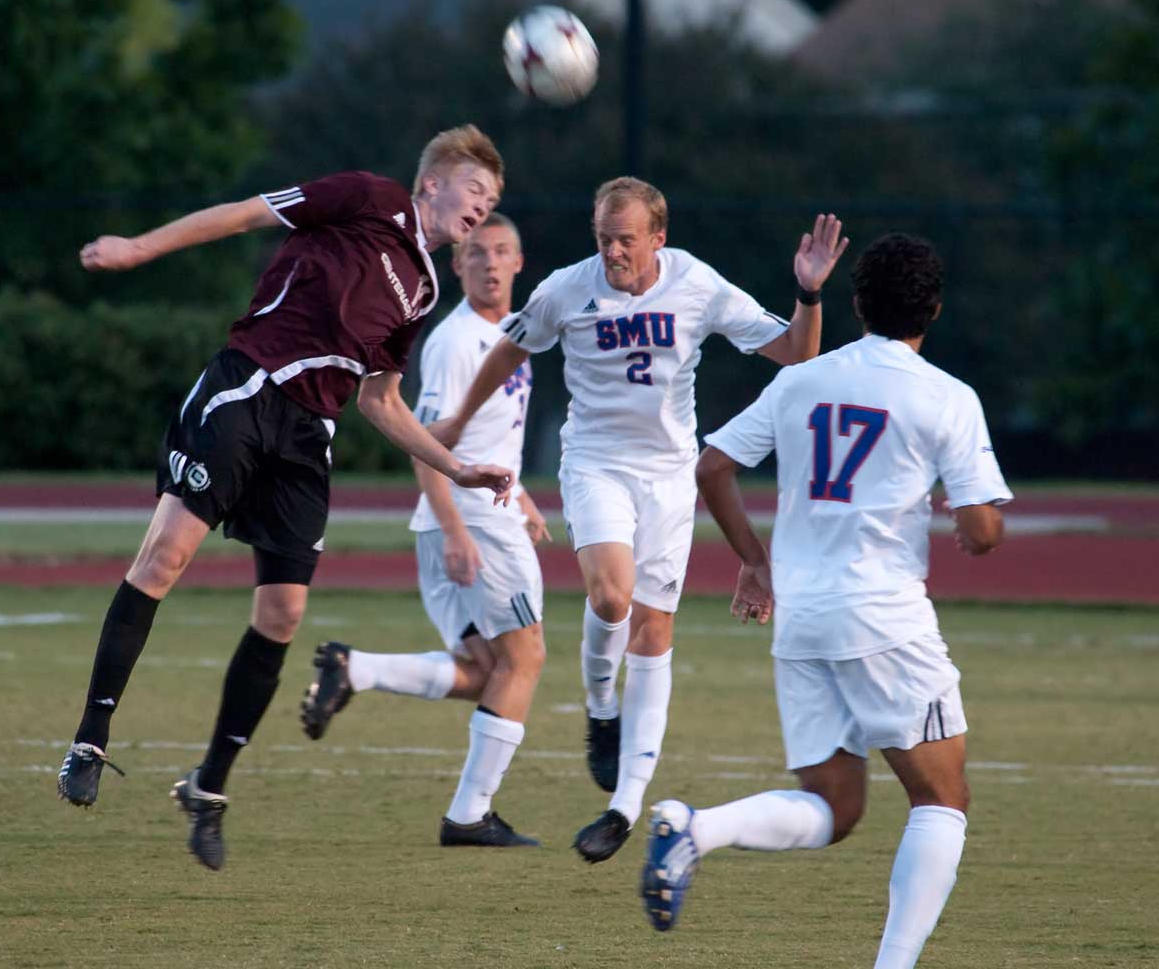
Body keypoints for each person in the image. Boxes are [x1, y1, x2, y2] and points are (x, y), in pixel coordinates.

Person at [56, 125, 515, 872]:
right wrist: (139, 248)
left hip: (308, 435)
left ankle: (207, 789)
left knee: (284, 615)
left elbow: (381, 401)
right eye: (475, 190)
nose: (482, 206)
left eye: (492, 201)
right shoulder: (371, 197)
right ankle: (89, 740)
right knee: (165, 558)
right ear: (433, 182)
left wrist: (456, 469)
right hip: (248, 387)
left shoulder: (425, 290)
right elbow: (245, 214)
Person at [430, 176, 846, 862]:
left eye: (626, 239)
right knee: (610, 596)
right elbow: (510, 348)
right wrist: (456, 421)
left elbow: (798, 354)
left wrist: (808, 291)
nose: (613, 252)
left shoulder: (697, 284)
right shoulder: (567, 289)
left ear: (659, 237)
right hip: (596, 463)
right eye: (603, 239)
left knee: (653, 630)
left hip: (669, 478)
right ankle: (602, 707)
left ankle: (623, 807)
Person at [639, 233, 1009, 969]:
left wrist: (755, 562)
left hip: (803, 618)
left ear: (858, 304)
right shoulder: (946, 395)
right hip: (884, 617)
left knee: (835, 810)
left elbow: (712, 468)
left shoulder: (802, 381)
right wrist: (976, 527)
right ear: (934, 310)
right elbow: (982, 529)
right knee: (943, 799)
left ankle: (696, 829)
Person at [297, 213, 551, 847]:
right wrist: (456, 530)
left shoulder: (508, 334)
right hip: (470, 525)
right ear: (457, 266)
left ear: (520, 263)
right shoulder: (458, 341)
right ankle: (469, 817)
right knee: (526, 658)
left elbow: (486, 439)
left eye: (502, 252)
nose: (490, 263)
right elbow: (428, 445)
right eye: (476, 253)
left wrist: (521, 495)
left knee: (486, 670)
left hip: (476, 517)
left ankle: (355, 669)